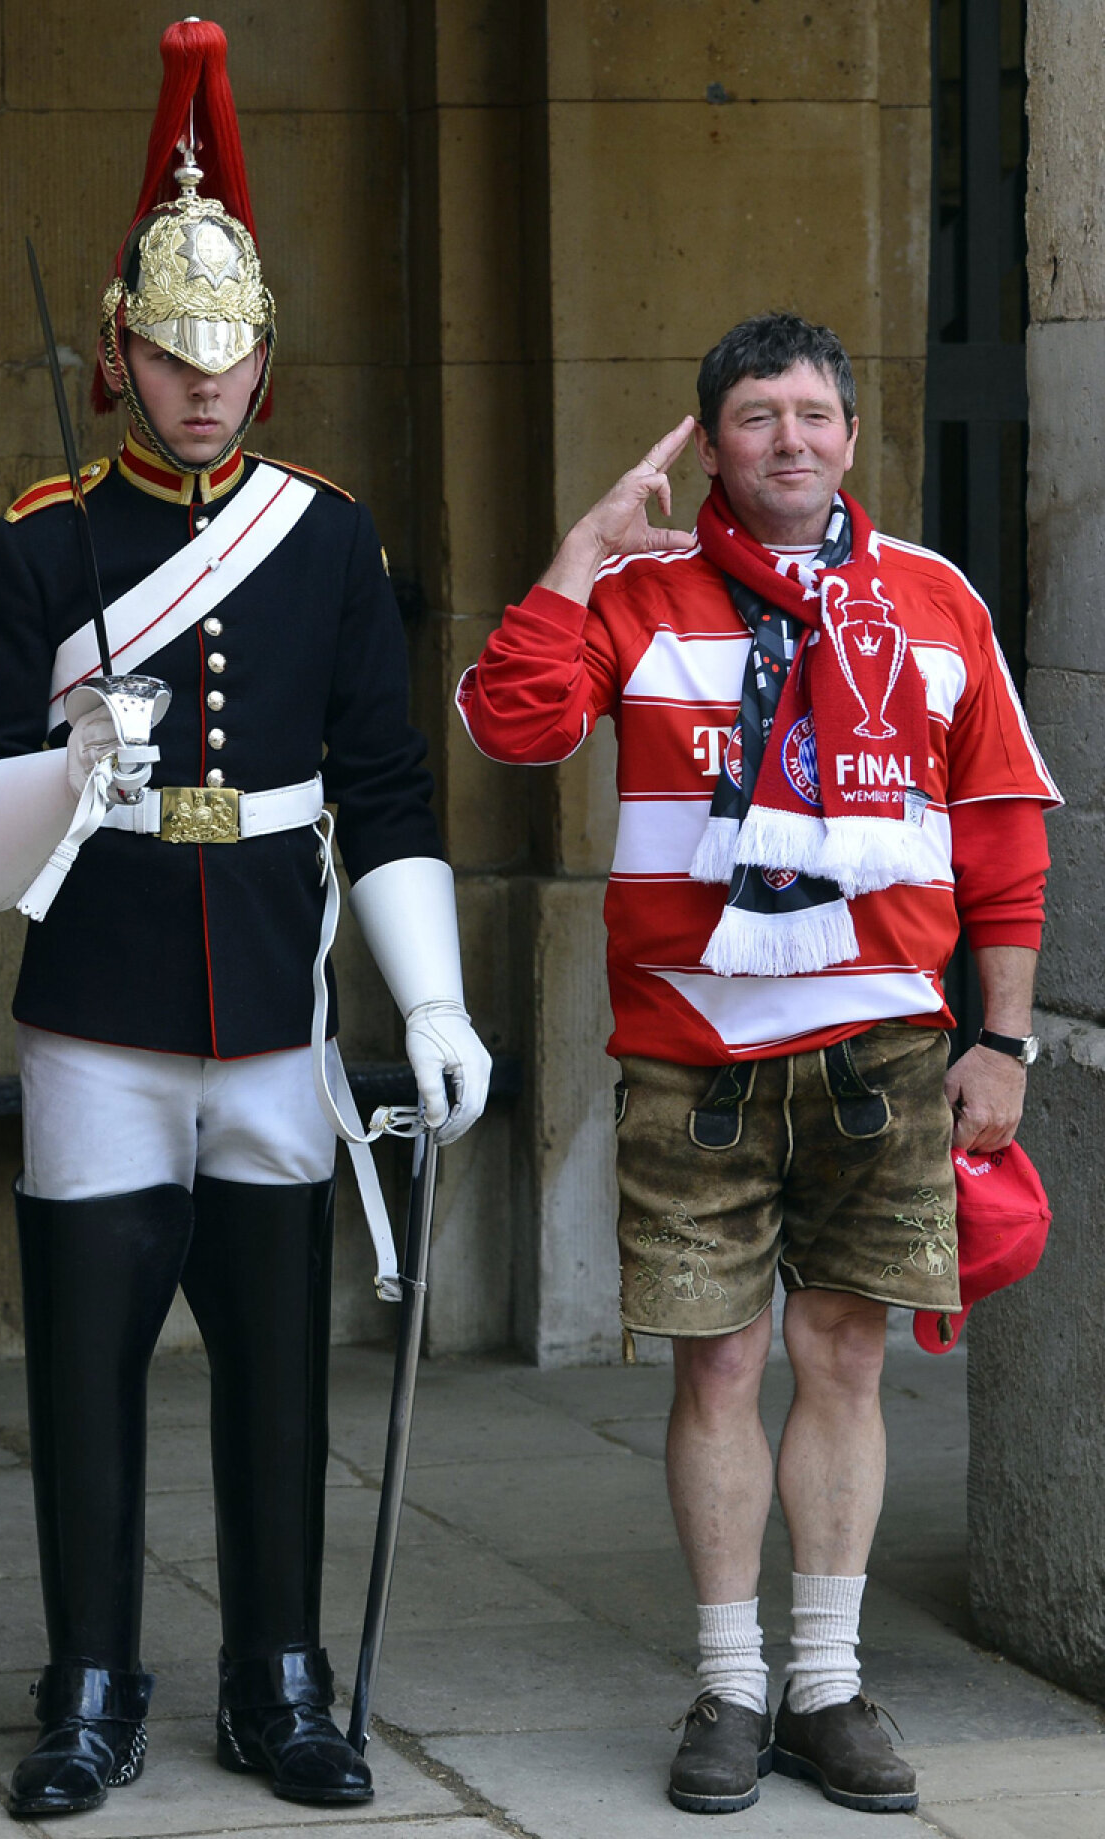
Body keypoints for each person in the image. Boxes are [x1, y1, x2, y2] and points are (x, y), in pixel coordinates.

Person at [0, 18, 490, 1821]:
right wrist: (77, 763)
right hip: (99, 1009)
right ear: (121, 354)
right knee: (88, 1380)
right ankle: (88, 1683)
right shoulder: (38, 545)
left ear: (266, 358)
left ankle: (280, 1681)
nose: (199, 383)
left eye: (227, 350)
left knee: (274, 1383)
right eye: (169, 353)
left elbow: (384, 793)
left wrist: (439, 1005)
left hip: (276, 1012)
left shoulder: (328, 541)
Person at [457, 311, 1058, 1817]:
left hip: (888, 1047)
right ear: (711, 443)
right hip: (696, 1048)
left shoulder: (933, 600)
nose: (790, 438)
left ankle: (827, 1684)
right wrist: (576, 554)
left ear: (851, 435)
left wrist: (1002, 1038)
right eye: (754, 418)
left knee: (842, 1362)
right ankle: (729, 1689)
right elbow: (512, 727)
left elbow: (999, 839)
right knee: (717, 1364)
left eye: (813, 414)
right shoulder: (641, 592)